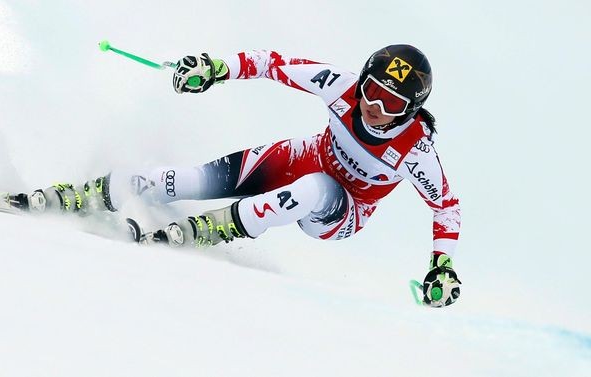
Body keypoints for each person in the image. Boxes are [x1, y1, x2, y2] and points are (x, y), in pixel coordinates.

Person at [24, 45, 462, 307]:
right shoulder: (340, 85)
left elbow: (445, 207)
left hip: (341, 210)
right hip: (302, 157)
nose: (375, 109)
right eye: (371, 92)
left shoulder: (415, 151)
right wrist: (213, 69)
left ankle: (215, 228)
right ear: (361, 81)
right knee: (194, 179)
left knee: (313, 189)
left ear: (412, 111)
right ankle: (94, 193)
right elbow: (271, 63)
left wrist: (441, 267)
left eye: (392, 105)